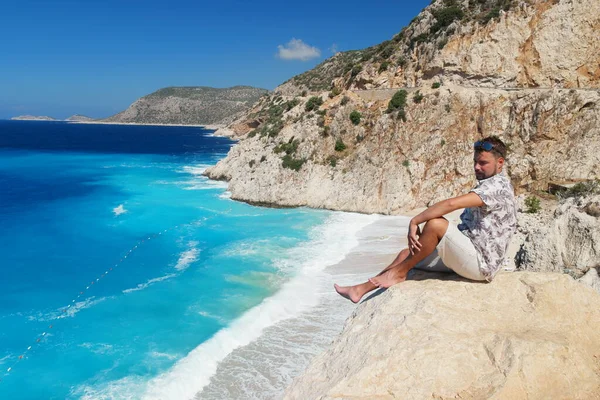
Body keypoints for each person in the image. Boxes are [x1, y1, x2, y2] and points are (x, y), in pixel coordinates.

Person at [335, 136, 517, 303]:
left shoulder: (497, 188)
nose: (477, 167)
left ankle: (398, 274)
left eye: (483, 163)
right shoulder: (488, 184)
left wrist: (415, 221)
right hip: (467, 253)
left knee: (436, 224)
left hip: (480, 264)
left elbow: (452, 204)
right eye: (475, 162)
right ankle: (360, 289)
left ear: (500, 163)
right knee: (406, 254)